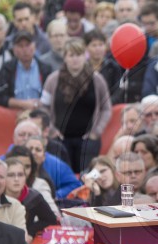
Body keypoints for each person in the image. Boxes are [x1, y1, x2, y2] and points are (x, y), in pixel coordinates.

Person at [41, 37, 111, 173]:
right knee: (62, 176)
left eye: (78, 55)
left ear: (85, 56)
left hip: (88, 141)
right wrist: (51, 130)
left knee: (87, 177)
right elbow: (43, 107)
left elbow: (106, 108)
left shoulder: (97, 80)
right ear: (65, 57)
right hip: (59, 141)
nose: (75, 59)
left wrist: (96, 132)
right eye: (71, 55)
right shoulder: (53, 80)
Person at [0, 31, 52, 110]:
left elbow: (52, 96)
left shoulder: (46, 69)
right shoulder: (7, 69)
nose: (25, 49)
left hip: (40, 114)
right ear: (14, 49)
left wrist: (39, 103)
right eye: (20, 46)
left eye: (28, 45)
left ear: (34, 47)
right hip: (14, 114)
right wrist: (22, 104)